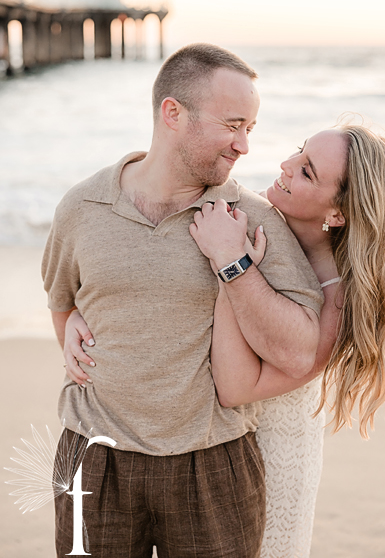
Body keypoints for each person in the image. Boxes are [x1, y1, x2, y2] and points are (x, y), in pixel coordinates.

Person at [65, 124, 385, 558]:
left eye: (306, 172)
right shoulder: (262, 226)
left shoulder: (338, 300)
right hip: (201, 447)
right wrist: (81, 315)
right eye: (298, 152)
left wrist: (233, 263)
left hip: (265, 462)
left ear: (338, 214)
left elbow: (234, 387)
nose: (285, 166)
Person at [44, 43, 324, 558]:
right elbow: (61, 299)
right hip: (93, 457)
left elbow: (303, 345)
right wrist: (71, 330)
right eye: (232, 124)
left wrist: (235, 266)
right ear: (173, 113)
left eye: (250, 129)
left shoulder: (253, 219)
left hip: (213, 465)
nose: (243, 145)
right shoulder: (82, 207)